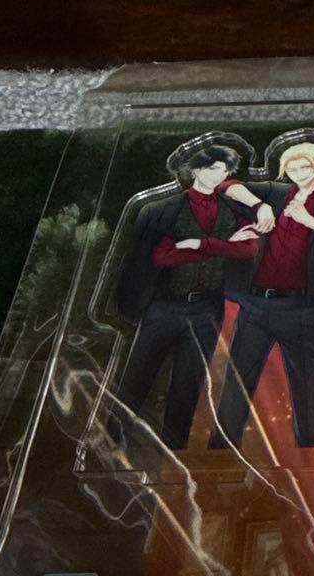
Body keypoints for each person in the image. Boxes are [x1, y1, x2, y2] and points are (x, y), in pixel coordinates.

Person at [209, 141, 314, 448]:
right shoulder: (275, 192)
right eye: (291, 168)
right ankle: (221, 450)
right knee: (237, 382)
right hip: (256, 304)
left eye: (304, 166)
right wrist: (260, 206)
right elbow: (226, 186)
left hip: (302, 306)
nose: (298, 173)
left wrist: (309, 221)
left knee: (309, 385)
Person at [111, 144, 259, 449]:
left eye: (225, 171)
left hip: (206, 310)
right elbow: (161, 257)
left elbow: (248, 249)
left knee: (187, 388)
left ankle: (172, 453)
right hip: (163, 307)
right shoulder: (164, 209)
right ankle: (109, 440)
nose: (220, 176)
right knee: (136, 379)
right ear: (196, 170)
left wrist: (198, 245)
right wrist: (223, 245)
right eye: (214, 169)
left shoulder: (232, 210)